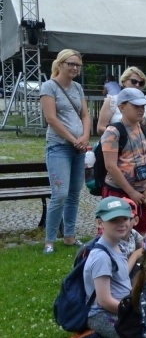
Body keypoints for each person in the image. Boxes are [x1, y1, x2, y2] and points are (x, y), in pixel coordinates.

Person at [41, 49, 90, 254]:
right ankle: (49, 240)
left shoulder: (77, 88)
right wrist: (73, 139)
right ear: (59, 64)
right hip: (59, 146)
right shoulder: (49, 86)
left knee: (74, 194)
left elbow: (85, 115)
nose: (74, 68)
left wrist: (85, 137)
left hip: (78, 147)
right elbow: (51, 118)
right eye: (70, 63)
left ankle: (69, 236)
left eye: (77, 65)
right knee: (59, 193)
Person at [73, 198, 137, 338]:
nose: (122, 224)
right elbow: (104, 301)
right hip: (102, 315)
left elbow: (121, 277)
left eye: (125, 218)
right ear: (100, 223)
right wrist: (132, 313)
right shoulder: (101, 256)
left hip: (121, 309)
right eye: (114, 220)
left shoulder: (119, 246)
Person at [100, 87, 146, 234]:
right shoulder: (112, 132)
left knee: (142, 234)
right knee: (117, 234)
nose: (141, 110)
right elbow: (110, 166)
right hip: (118, 191)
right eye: (136, 106)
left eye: (142, 106)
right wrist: (131, 192)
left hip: (142, 194)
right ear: (122, 107)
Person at [96, 67, 146, 137]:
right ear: (124, 81)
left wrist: (144, 132)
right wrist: (121, 134)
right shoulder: (112, 101)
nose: (137, 85)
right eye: (134, 81)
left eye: (141, 83)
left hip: (142, 144)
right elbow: (100, 128)